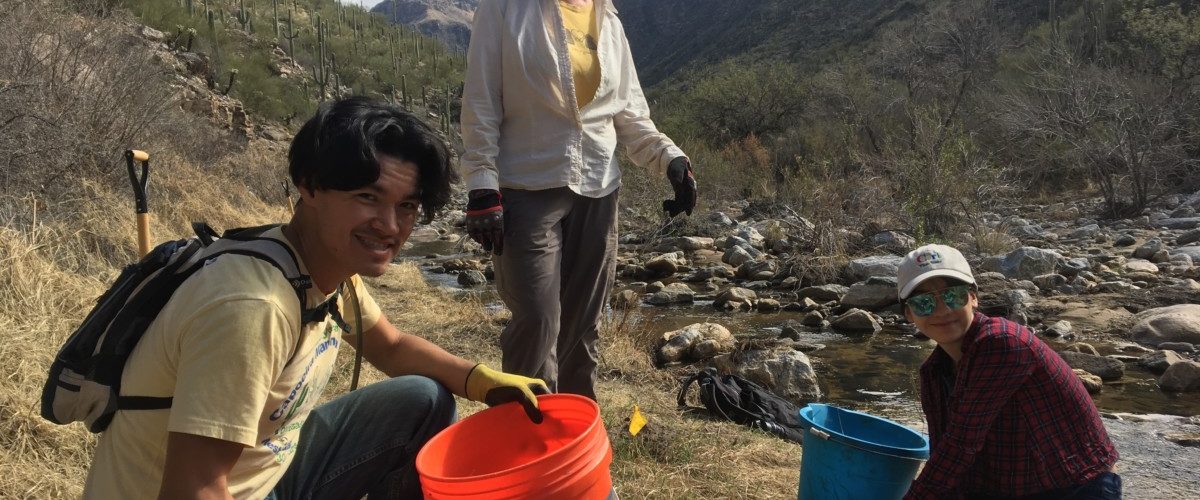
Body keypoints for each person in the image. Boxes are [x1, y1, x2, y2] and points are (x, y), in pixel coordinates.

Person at [83, 97, 548, 499]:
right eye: (368, 196)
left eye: (406, 206)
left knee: (423, 400)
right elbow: (192, 490)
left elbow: (391, 346)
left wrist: (481, 381)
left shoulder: (321, 265)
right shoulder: (253, 308)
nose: (390, 226)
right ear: (308, 186)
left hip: (266, 473)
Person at [460, 0, 697, 400]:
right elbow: (481, 98)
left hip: (599, 188)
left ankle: (574, 436)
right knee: (536, 320)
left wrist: (670, 159)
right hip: (525, 184)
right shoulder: (504, 9)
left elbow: (630, 115)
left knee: (584, 325)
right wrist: (482, 182)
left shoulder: (608, 18)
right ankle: (525, 435)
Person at [897, 244, 1120, 500]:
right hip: (1013, 486)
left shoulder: (1001, 343)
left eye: (952, 296)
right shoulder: (934, 372)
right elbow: (946, 456)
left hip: (1078, 486)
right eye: (924, 302)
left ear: (973, 297)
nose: (942, 310)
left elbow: (961, 446)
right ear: (908, 314)